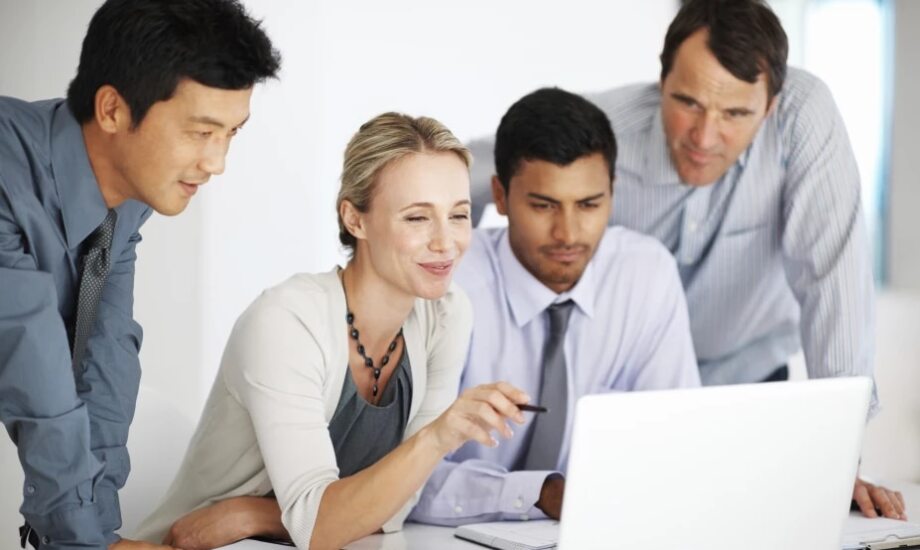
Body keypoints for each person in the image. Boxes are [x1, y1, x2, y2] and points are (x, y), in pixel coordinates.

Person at [466, 0, 903, 522]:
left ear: (770, 106)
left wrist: (839, 456)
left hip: (748, 380)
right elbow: (461, 172)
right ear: (661, 81)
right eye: (687, 102)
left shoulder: (803, 121)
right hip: (634, 391)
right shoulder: (603, 134)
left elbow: (832, 278)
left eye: (735, 114)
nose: (704, 137)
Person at [135, 113, 531, 550]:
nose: (445, 241)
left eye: (458, 215)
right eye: (417, 218)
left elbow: (398, 505)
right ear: (354, 219)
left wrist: (255, 514)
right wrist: (438, 436)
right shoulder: (287, 321)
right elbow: (324, 526)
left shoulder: (447, 315)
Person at [0, 1, 280, 548]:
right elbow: (38, 382)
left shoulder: (125, 198)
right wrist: (85, 541)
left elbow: (105, 359)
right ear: (112, 110)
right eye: (200, 132)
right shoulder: (8, 170)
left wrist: (101, 533)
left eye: (231, 133)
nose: (217, 162)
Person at [408, 87, 701, 525]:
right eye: (544, 206)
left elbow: (679, 445)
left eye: (589, 204)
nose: (568, 233)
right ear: (500, 196)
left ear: (613, 192)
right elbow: (405, 478)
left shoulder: (646, 275)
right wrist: (541, 494)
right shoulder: (447, 285)